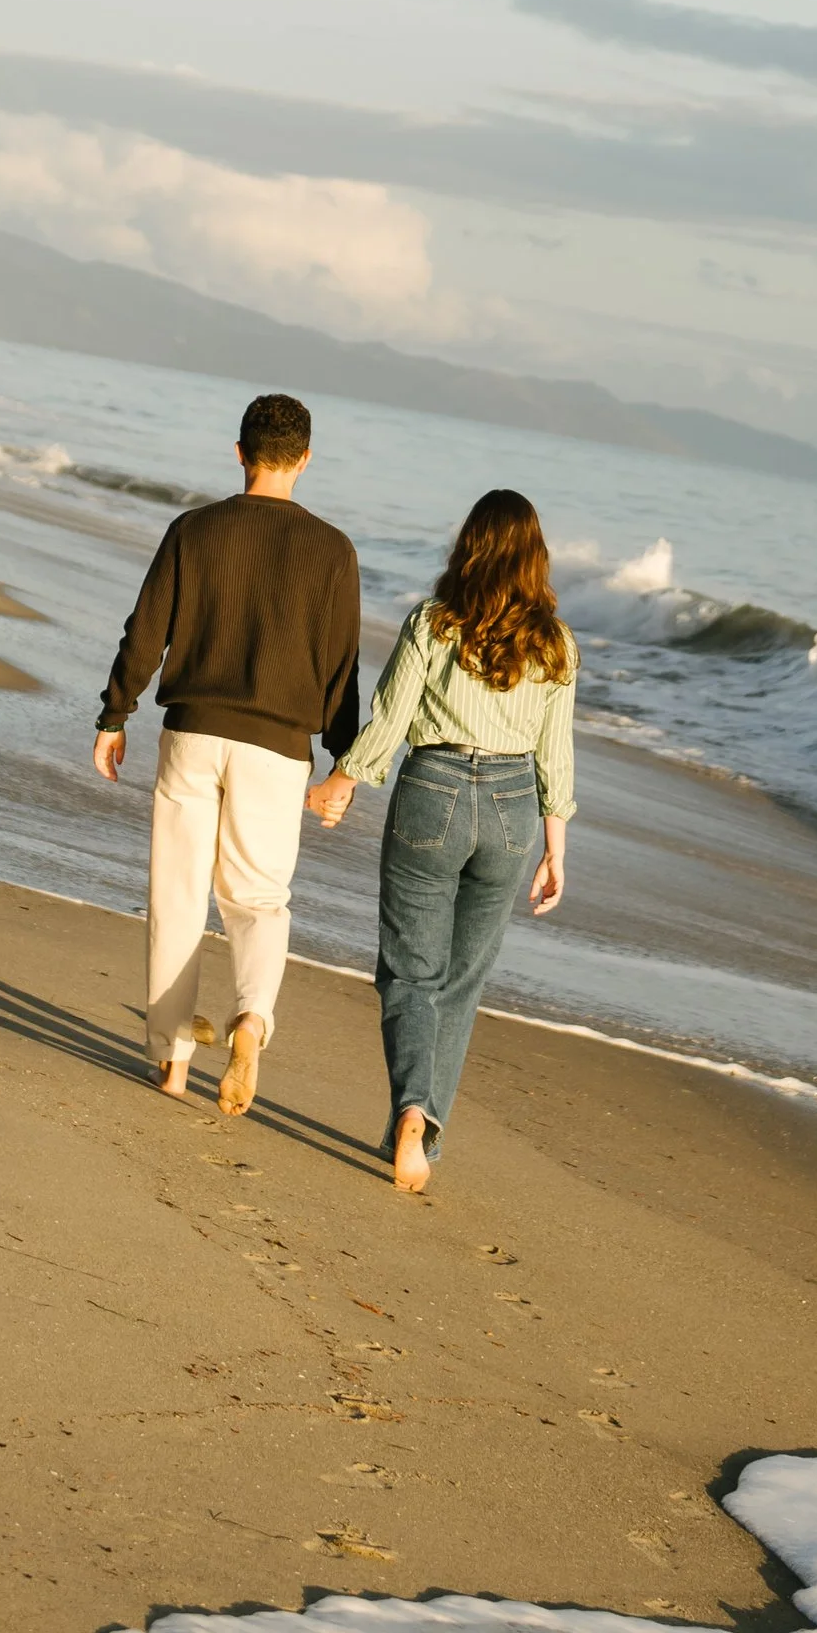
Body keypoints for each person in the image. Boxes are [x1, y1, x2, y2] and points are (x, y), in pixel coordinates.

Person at [91, 392, 360, 1116]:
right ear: (305, 460)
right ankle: (251, 1019)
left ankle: (173, 1061)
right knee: (259, 900)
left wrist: (116, 713)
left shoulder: (194, 530)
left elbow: (147, 628)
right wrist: (344, 763)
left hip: (193, 732)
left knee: (178, 895)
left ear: (238, 452)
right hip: (278, 750)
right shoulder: (334, 550)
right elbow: (342, 666)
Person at [308, 486, 574, 1194]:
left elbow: (391, 713)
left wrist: (346, 780)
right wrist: (556, 848)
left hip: (434, 790)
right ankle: (424, 1129)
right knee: (460, 981)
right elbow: (556, 752)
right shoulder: (556, 642)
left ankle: (412, 1111)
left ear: (471, 545)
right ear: (535, 558)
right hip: (517, 809)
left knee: (409, 972)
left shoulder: (434, 621)